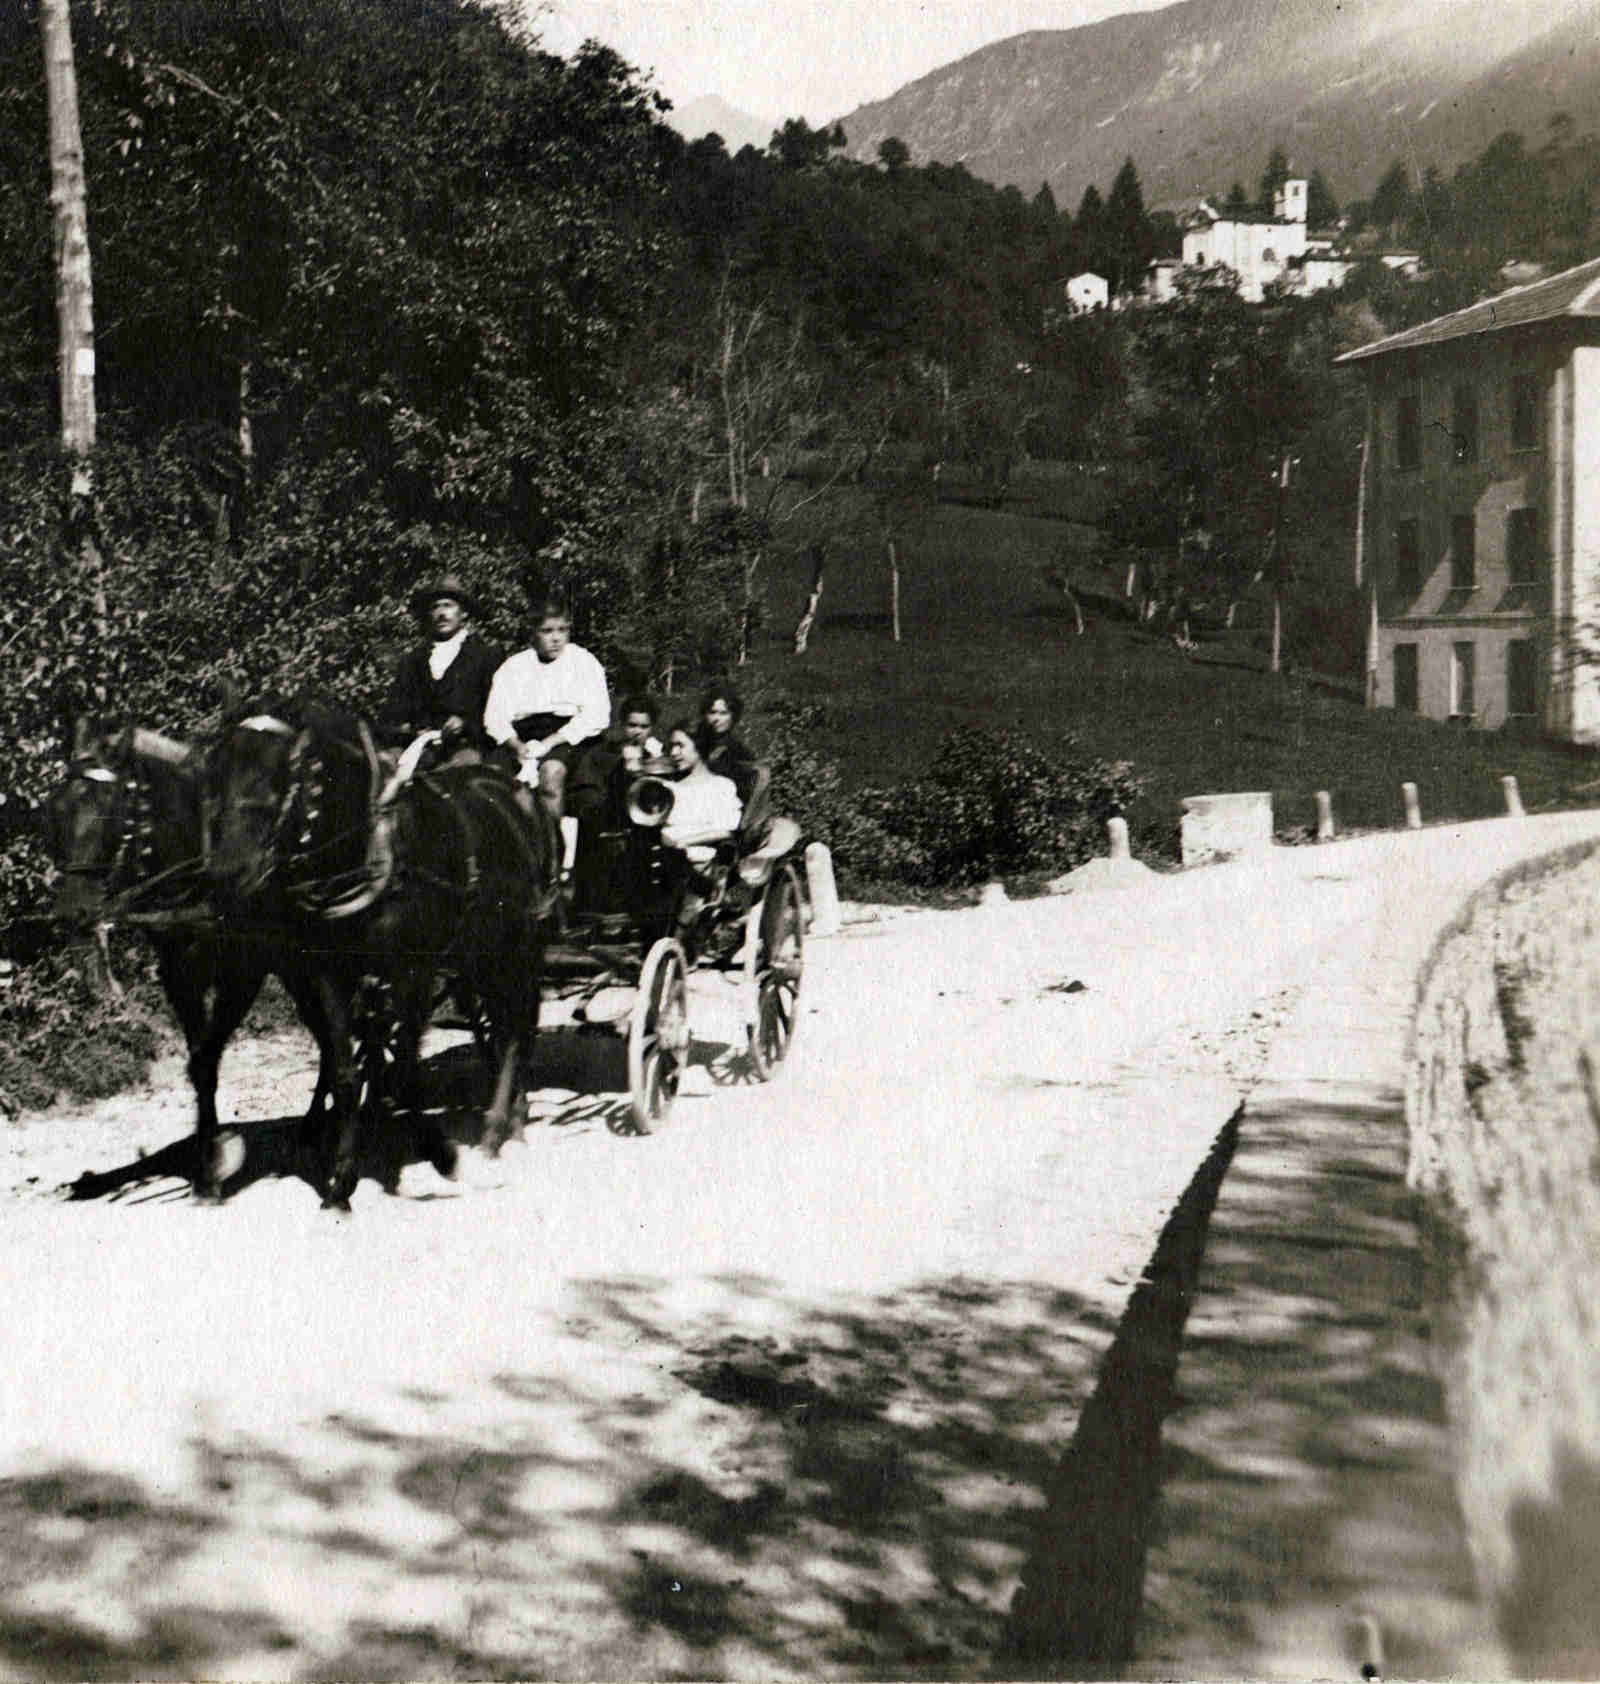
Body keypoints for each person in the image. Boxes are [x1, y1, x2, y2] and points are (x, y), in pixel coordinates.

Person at [483, 597, 611, 838]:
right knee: (490, 778)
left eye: (562, 630)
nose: (556, 638)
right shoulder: (515, 666)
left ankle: (550, 851)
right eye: (547, 631)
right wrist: (516, 745)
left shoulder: (582, 662)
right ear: (533, 633)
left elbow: (596, 715)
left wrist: (551, 742)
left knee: (551, 773)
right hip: (521, 736)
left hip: (567, 737)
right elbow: (495, 715)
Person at [378, 575, 502, 762]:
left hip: (467, 746)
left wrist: (465, 724)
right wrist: (412, 730)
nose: (441, 613)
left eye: (448, 605)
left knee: (457, 776)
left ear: (463, 612)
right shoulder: (413, 661)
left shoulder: (485, 656)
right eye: (435, 607)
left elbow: (498, 709)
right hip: (418, 745)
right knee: (383, 767)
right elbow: (394, 712)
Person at [659, 720, 743, 939]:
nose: (674, 753)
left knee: (676, 860)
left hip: (700, 861)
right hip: (663, 855)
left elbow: (726, 830)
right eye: (671, 747)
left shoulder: (720, 786)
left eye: (680, 746)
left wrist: (684, 842)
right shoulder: (668, 787)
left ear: (699, 747)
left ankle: (681, 930)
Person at [695, 683, 759, 805]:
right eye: (712, 712)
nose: (716, 719)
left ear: (733, 716)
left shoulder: (740, 753)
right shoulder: (695, 745)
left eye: (723, 713)